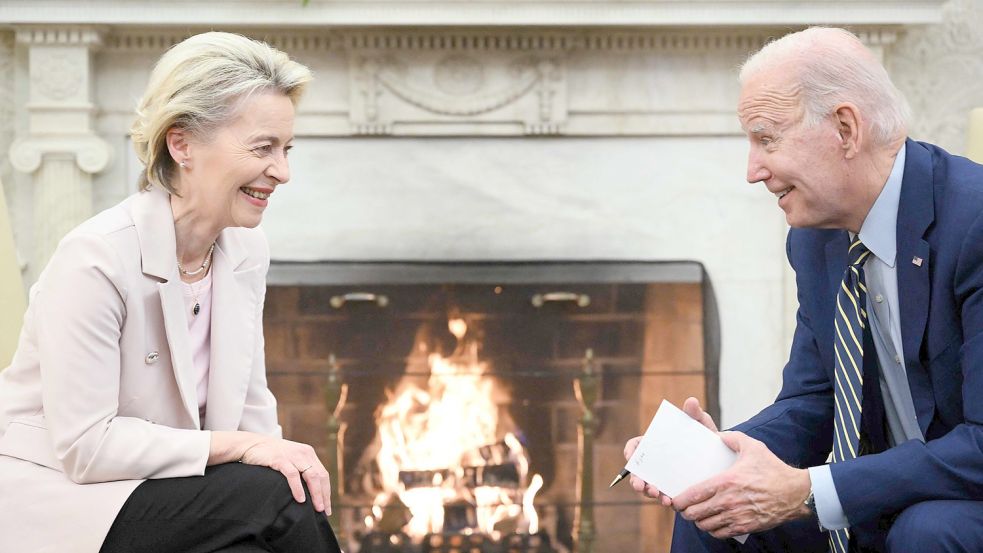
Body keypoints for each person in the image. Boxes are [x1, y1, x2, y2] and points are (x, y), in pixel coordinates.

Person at [625, 26, 983, 553]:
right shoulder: (816, 243)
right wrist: (719, 457)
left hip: (959, 500)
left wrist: (808, 490)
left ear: (845, 129)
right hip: (886, 497)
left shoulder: (973, 222)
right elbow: (815, 398)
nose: (752, 171)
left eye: (766, 139)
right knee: (713, 510)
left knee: (926, 530)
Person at [0, 32, 341, 553]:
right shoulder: (95, 258)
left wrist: (277, 453)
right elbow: (86, 448)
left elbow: (251, 405)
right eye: (263, 148)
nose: (283, 172)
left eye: (286, 149)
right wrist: (248, 449)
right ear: (181, 144)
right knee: (276, 496)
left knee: (275, 505)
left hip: (167, 490)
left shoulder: (245, 251)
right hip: (63, 498)